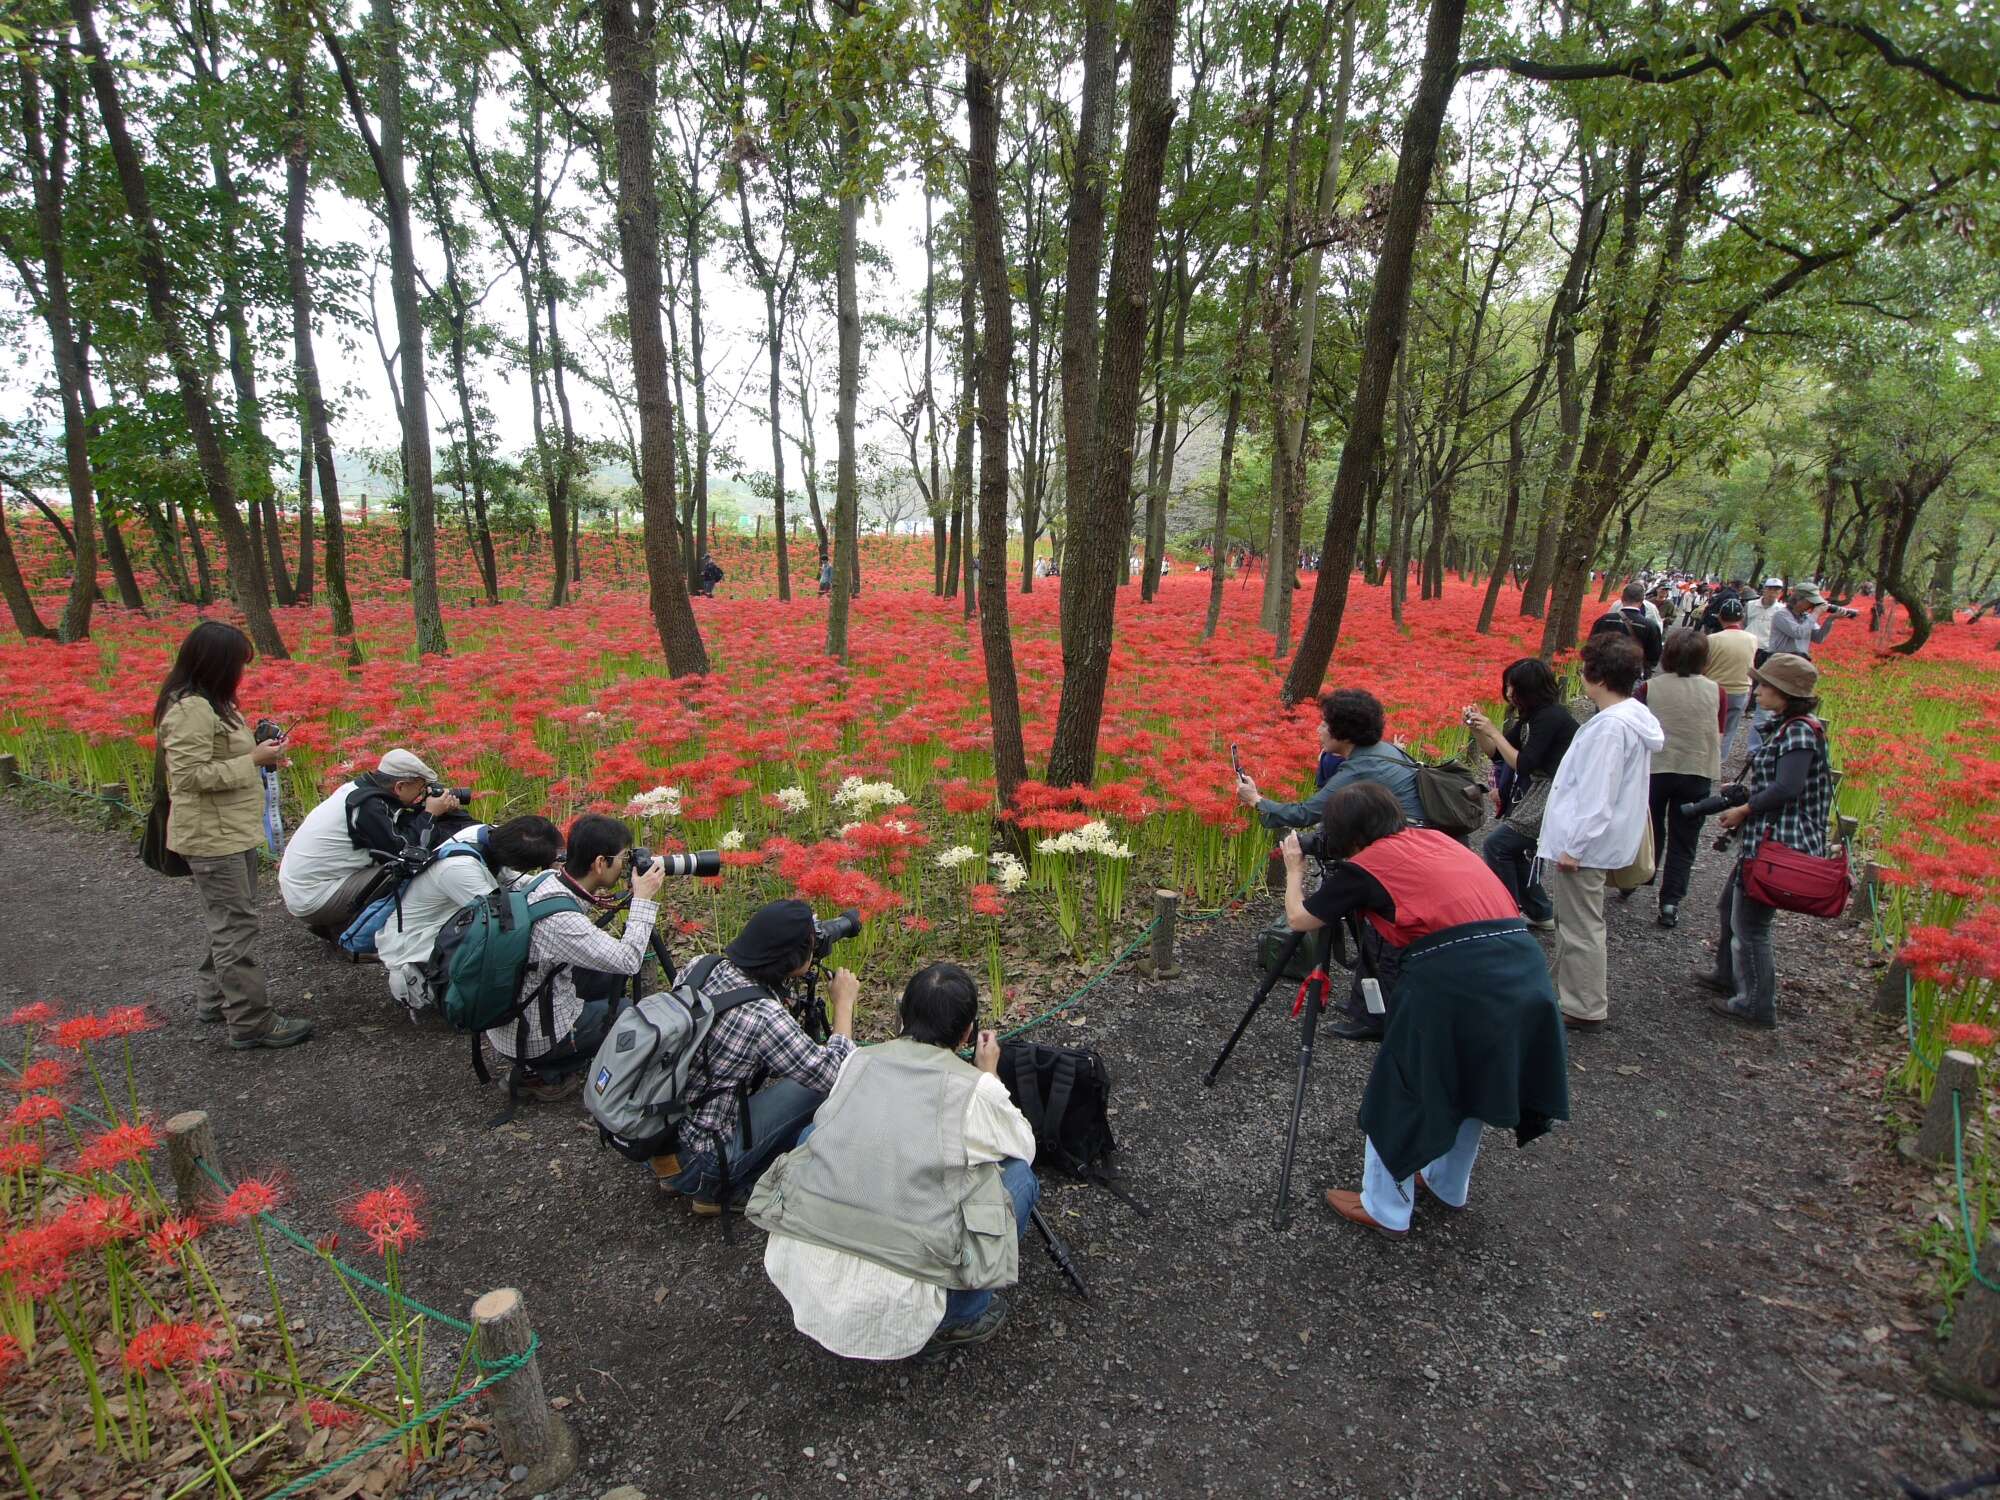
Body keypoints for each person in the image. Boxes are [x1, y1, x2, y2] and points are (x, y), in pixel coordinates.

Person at [1278, 784, 1569, 1238]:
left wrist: (1295, 867)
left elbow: (1300, 920)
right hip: (1522, 967)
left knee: (1404, 1085)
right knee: (1473, 1079)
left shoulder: (1363, 868)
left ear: (1345, 834)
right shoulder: (1435, 839)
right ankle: (1447, 1185)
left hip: (1455, 977)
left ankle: (1385, 1208)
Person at [751, 962, 1037, 1359]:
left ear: (901, 1017)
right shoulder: (973, 1090)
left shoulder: (858, 1061)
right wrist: (988, 1077)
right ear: (968, 1032)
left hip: (804, 1282)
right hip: (908, 1309)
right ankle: (960, 1316)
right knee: (1019, 1178)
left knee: (814, 1136)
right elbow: (1024, 1145)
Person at [154, 623, 314, 1052]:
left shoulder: (215, 704)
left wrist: (261, 753)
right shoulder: (190, 709)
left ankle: (215, 999)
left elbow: (222, 758)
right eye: (237, 666)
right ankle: (250, 1021)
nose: (241, 675)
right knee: (236, 927)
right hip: (212, 838)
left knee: (226, 922)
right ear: (215, 663)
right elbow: (187, 777)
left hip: (230, 831)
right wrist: (253, 760)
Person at [659, 899, 859, 1213]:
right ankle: (714, 1190)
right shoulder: (763, 1016)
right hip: (703, 1157)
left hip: (661, 1135)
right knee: (815, 1088)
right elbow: (836, 1072)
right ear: (793, 960)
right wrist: (844, 1004)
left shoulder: (700, 965)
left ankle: (671, 1174)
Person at [1698, 654, 1836, 1028]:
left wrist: (1744, 809)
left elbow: (1788, 788)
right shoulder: (1788, 727)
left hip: (1777, 842)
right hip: (1764, 838)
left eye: (1764, 686)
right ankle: (1727, 975)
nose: (1757, 692)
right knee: (1730, 906)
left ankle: (1756, 1004)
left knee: (1752, 926)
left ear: (1786, 693)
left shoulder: (1799, 731)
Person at [1536, 633, 1663, 1029]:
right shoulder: (1632, 717)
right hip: (1601, 841)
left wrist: (1574, 846)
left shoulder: (1609, 728)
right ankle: (1563, 989)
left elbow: (1597, 795)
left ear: (1599, 677)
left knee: (1581, 925)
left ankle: (1584, 1006)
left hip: (1586, 847)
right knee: (1573, 921)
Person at [489, 814, 664, 1099]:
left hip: (514, 1015)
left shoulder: (549, 879)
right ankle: (545, 1072)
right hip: (533, 1039)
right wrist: (642, 899)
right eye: (623, 858)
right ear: (599, 863)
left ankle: (554, 1057)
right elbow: (630, 960)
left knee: (607, 977)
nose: (626, 865)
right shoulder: (563, 921)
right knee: (629, 1015)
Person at [374, 815, 565, 1013]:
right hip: (416, 952)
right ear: (517, 861)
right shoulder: (459, 869)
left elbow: (515, 883)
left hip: (444, 929)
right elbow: (505, 918)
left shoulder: (491, 837)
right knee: (517, 939)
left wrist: (557, 877)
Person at [279, 749, 462, 931]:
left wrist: (435, 812)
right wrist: (430, 814)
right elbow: (405, 851)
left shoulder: (359, 790)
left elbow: (397, 831)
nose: (422, 795)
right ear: (399, 786)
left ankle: (340, 925)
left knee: (400, 865)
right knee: (404, 869)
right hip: (314, 898)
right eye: (420, 789)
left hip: (307, 890)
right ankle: (355, 934)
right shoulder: (366, 805)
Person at [1466, 658, 1577, 933]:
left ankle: (1508, 915)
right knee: (1512, 849)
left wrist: (1493, 729)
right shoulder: (1532, 717)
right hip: (1541, 791)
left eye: (1512, 687)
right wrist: (1478, 730)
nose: (1508, 693)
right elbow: (1497, 754)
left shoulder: (1551, 717)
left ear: (1529, 689)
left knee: (1497, 845)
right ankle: (1539, 911)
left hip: (1556, 792)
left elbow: (1523, 763)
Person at [1234, 688, 1425, 831]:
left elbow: (1305, 814)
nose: (1318, 730)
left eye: (1324, 725)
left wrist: (1255, 799)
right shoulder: (1386, 750)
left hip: (1408, 843)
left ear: (1343, 733)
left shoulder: (1360, 769)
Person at [1634, 629, 1724, 929]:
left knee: (1650, 828)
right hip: (1696, 768)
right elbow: (1719, 730)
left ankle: (1639, 875)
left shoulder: (1649, 688)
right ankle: (1670, 902)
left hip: (1657, 768)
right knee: (1685, 841)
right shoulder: (1716, 690)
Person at [1703, 597, 1758, 763]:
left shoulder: (1711, 640)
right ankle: (1719, 760)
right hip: (1740, 691)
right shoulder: (1752, 639)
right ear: (1741, 618)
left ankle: (1704, 757)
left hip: (1714, 689)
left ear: (1720, 617)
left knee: (1709, 726)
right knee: (1730, 728)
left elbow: (1704, 666)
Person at [1589, 582, 1663, 676]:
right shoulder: (1650, 626)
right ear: (1641, 601)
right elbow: (1654, 654)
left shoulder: (1605, 619)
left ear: (1622, 599)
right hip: (1633, 673)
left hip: (1605, 671)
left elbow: (1592, 644)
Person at [1767, 585, 1848, 659]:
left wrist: (1830, 619)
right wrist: (1816, 613)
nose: (1813, 604)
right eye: (1810, 601)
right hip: (1780, 660)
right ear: (1798, 599)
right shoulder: (1781, 614)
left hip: (1799, 660)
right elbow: (1798, 633)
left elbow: (1818, 638)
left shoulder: (1806, 617)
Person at [1743, 578, 1787, 659]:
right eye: (1770, 589)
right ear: (1764, 589)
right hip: (1747, 645)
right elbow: (1743, 624)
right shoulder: (1750, 605)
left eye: (1776, 590)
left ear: (1780, 592)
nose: (1772, 592)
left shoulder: (1783, 610)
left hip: (1766, 649)